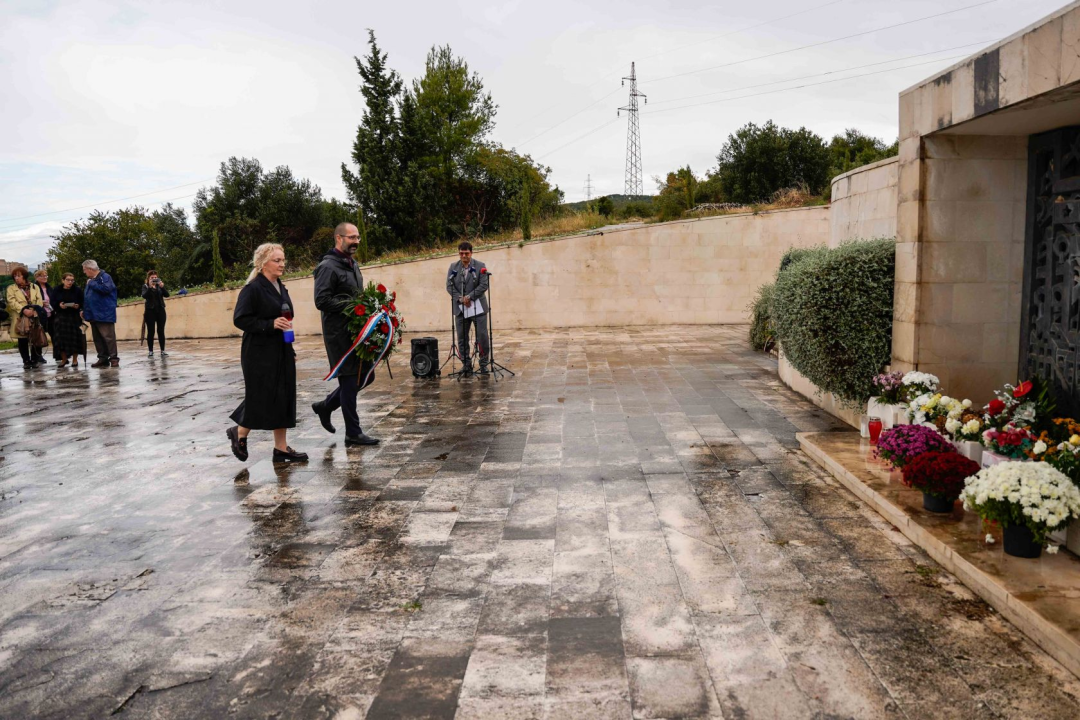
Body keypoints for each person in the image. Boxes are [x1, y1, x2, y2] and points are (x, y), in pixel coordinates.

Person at [226, 243, 307, 464]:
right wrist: (269, 324)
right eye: (277, 260)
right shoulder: (252, 289)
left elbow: (286, 318)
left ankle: (281, 449)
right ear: (263, 264)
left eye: (283, 260)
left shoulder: (280, 286)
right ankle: (240, 432)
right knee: (262, 395)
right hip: (258, 353)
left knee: (283, 395)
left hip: (281, 349)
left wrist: (289, 348)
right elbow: (240, 319)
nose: (282, 264)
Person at [311, 222, 379, 446]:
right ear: (338, 238)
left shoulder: (352, 264)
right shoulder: (328, 267)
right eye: (351, 237)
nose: (356, 241)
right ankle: (353, 432)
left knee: (367, 375)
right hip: (339, 334)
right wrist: (352, 306)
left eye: (358, 237)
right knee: (350, 380)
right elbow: (321, 301)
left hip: (356, 331)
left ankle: (326, 406)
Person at [446, 241, 490, 373]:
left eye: (466, 253)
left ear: (471, 253)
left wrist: (469, 297)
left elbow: (483, 285)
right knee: (461, 337)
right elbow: (449, 286)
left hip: (478, 307)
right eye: (461, 253)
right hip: (460, 308)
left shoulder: (480, 266)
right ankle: (466, 364)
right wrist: (461, 298)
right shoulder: (453, 267)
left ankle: (483, 364)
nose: (464, 255)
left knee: (482, 335)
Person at [81, 259, 119, 368]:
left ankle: (113, 359)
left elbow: (106, 289)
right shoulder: (91, 279)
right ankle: (102, 358)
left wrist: (91, 283)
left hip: (104, 314)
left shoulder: (105, 277)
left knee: (108, 337)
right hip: (93, 314)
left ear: (90, 269)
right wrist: (85, 310)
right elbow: (89, 297)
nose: (84, 272)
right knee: (98, 338)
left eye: (85, 270)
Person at [5, 265, 44, 370]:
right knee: (22, 340)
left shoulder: (34, 287)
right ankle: (26, 361)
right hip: (20, 317)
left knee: (36, 338)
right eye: (14, 276)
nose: (16, 278)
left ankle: (35, 360)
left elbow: (39, 300)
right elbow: (12, 301)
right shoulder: (11, 288)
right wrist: (23, 310)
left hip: (34, 316)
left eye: (18, 276)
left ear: (24, 276)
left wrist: (34, 310)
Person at [53, 273, 85, 368]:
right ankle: (64, 359)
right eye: (68, 280)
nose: (70, 282)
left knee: (74, 338)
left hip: (74, 316)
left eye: (72, 280)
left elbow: (82, 301)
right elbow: (53, 302)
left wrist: (78, 306)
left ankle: (75, 360)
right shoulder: (57, 290)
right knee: (60, 338)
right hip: (61, 316)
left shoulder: (77, 290)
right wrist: (59, 305)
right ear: (63, 280)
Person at [141, 270, 169, 358]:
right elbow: (144, 296)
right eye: (152, 278)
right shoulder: (145, 286)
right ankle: (150, 351)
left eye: (155, 278)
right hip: (150, 311)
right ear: (148, 279)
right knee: (151, 331)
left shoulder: (159, 286)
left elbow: (167, 295)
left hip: (160, 310)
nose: (154, 279)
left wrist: (162, 287)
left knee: (161, 331)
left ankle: (162, 350)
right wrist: (150, 287)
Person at [33, 269, 54, 365]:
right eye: (42, 276)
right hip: (40, 314)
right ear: (37, 277)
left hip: (51, 314)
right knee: (38, 336)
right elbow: (33, 300)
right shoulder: (33, 288)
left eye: (46, 275)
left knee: (54, 334)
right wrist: (41, 302)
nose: (45, 277)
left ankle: (58, 354)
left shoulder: (49, 288)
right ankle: (37, 356)